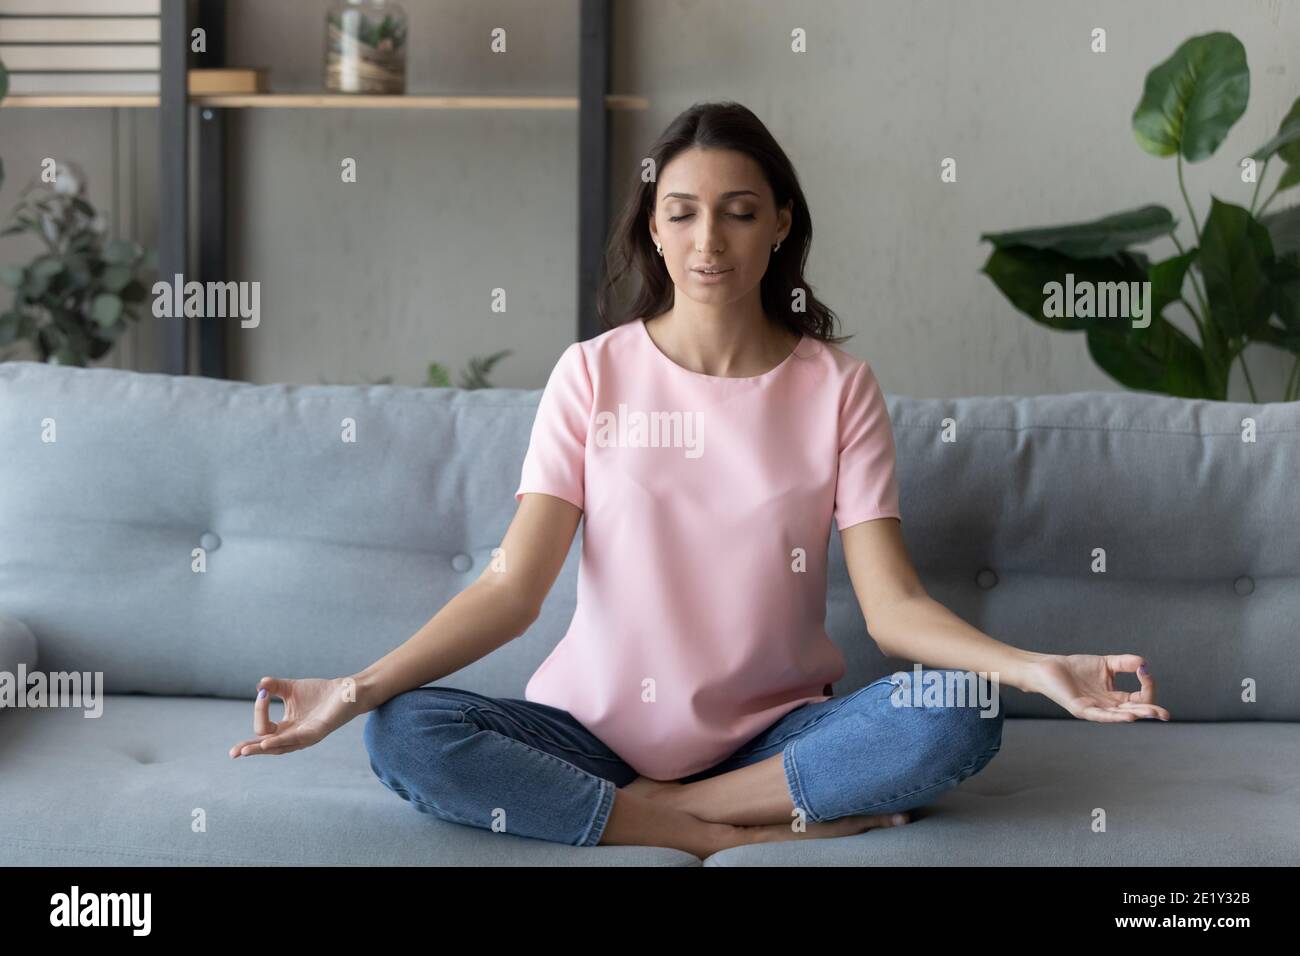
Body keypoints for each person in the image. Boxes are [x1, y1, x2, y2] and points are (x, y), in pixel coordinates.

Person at [228, 101, 1170, 857]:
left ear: (781, 225)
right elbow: (514, 591)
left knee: (958, 709)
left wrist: (1035, 670)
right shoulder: (591, 373)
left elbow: (893, 611)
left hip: (774, 739)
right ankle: (704, 827)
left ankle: (672, 809)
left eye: (739, 210)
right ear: (654, 226)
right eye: (681, 212)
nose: (708, 239)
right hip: (586, 736)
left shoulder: (837, 387)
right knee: (404, 734)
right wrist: (352, 689)